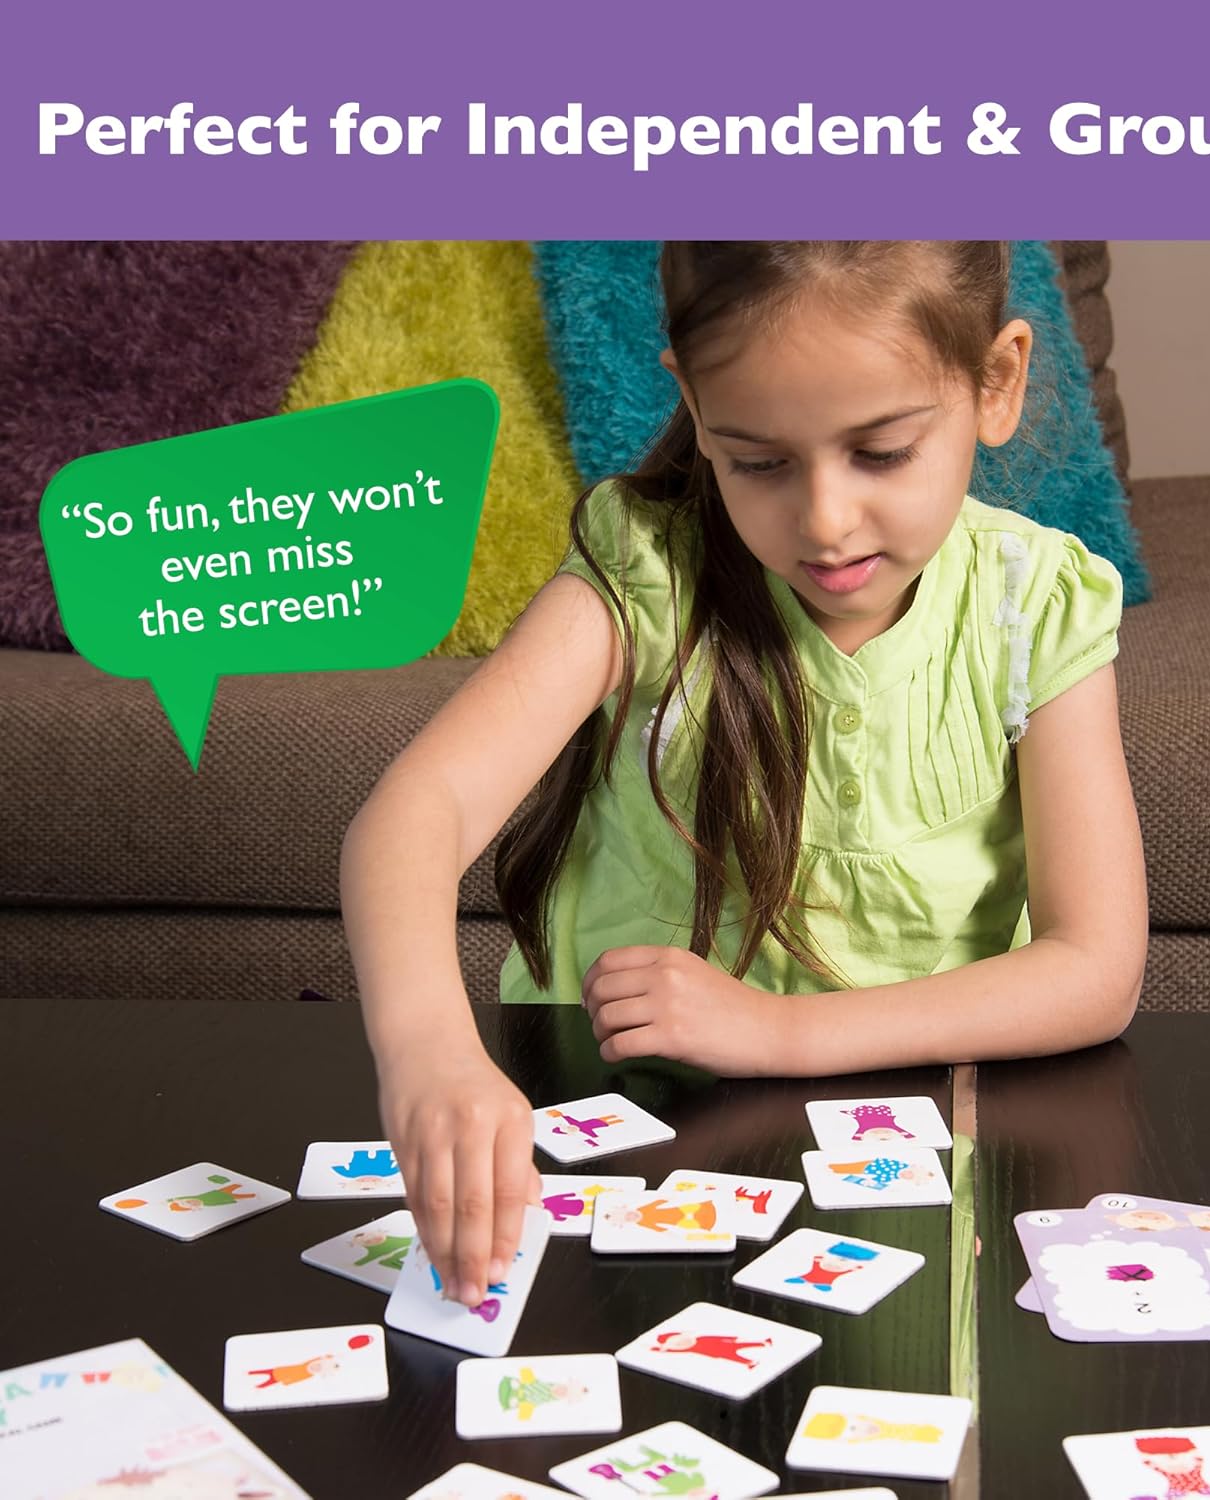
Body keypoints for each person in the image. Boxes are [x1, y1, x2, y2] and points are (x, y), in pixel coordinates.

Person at [341, 241, 1148, 1308]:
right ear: (692, 397)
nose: (822, 521)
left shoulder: (1033, 603)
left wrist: (781, 1033)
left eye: (882, 452)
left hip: (915, 1170)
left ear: (995, 383)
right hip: (638, 1149)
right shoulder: (644, 573)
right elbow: (416, 812)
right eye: (758, 461)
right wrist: (428, 1053)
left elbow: (1097, 967)